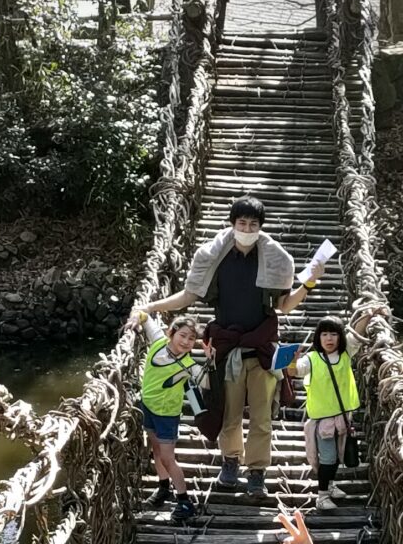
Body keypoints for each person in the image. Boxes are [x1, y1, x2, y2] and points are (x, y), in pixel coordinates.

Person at [132, 198, 313, 499]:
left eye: (253, 224)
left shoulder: (274, 258)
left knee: (261, 416)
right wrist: (150, 307)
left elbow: (284, 306)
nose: (247, 228)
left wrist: (309, 284)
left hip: (262, 349)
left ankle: (257, 472)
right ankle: (230, 463)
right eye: (241, 223)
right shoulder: (214, 256)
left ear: (260, 227)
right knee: (228, 412)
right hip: (227, 350)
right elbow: (189, 295)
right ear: (232, 224)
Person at [137, 312, 208, 522]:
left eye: (191, 339)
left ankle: (184, 501)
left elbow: (206, 382)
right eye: (182, 335)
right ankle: (163, 487)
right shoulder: (158, 342)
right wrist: (136, 317)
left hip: (167, 414)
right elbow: (145, 317)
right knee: (156, 450)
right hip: (148, 406)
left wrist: (211, 360)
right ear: (172, 333)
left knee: (168, 458)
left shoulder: (188, 365)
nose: (186, 342)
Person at [294, 317, 360, 510]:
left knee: (338, 455)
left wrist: (370, 314)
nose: (329, 338)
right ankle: (321, 496)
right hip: (322, 420)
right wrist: (292, 361)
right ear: (318, 338)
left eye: (333, 334)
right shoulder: (312, 359)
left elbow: (358, 334)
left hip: (342, 417)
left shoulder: (345, 354)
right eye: (324, 334)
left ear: (340, 337)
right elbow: (295, 371)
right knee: (328, 458)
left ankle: (330, 486)